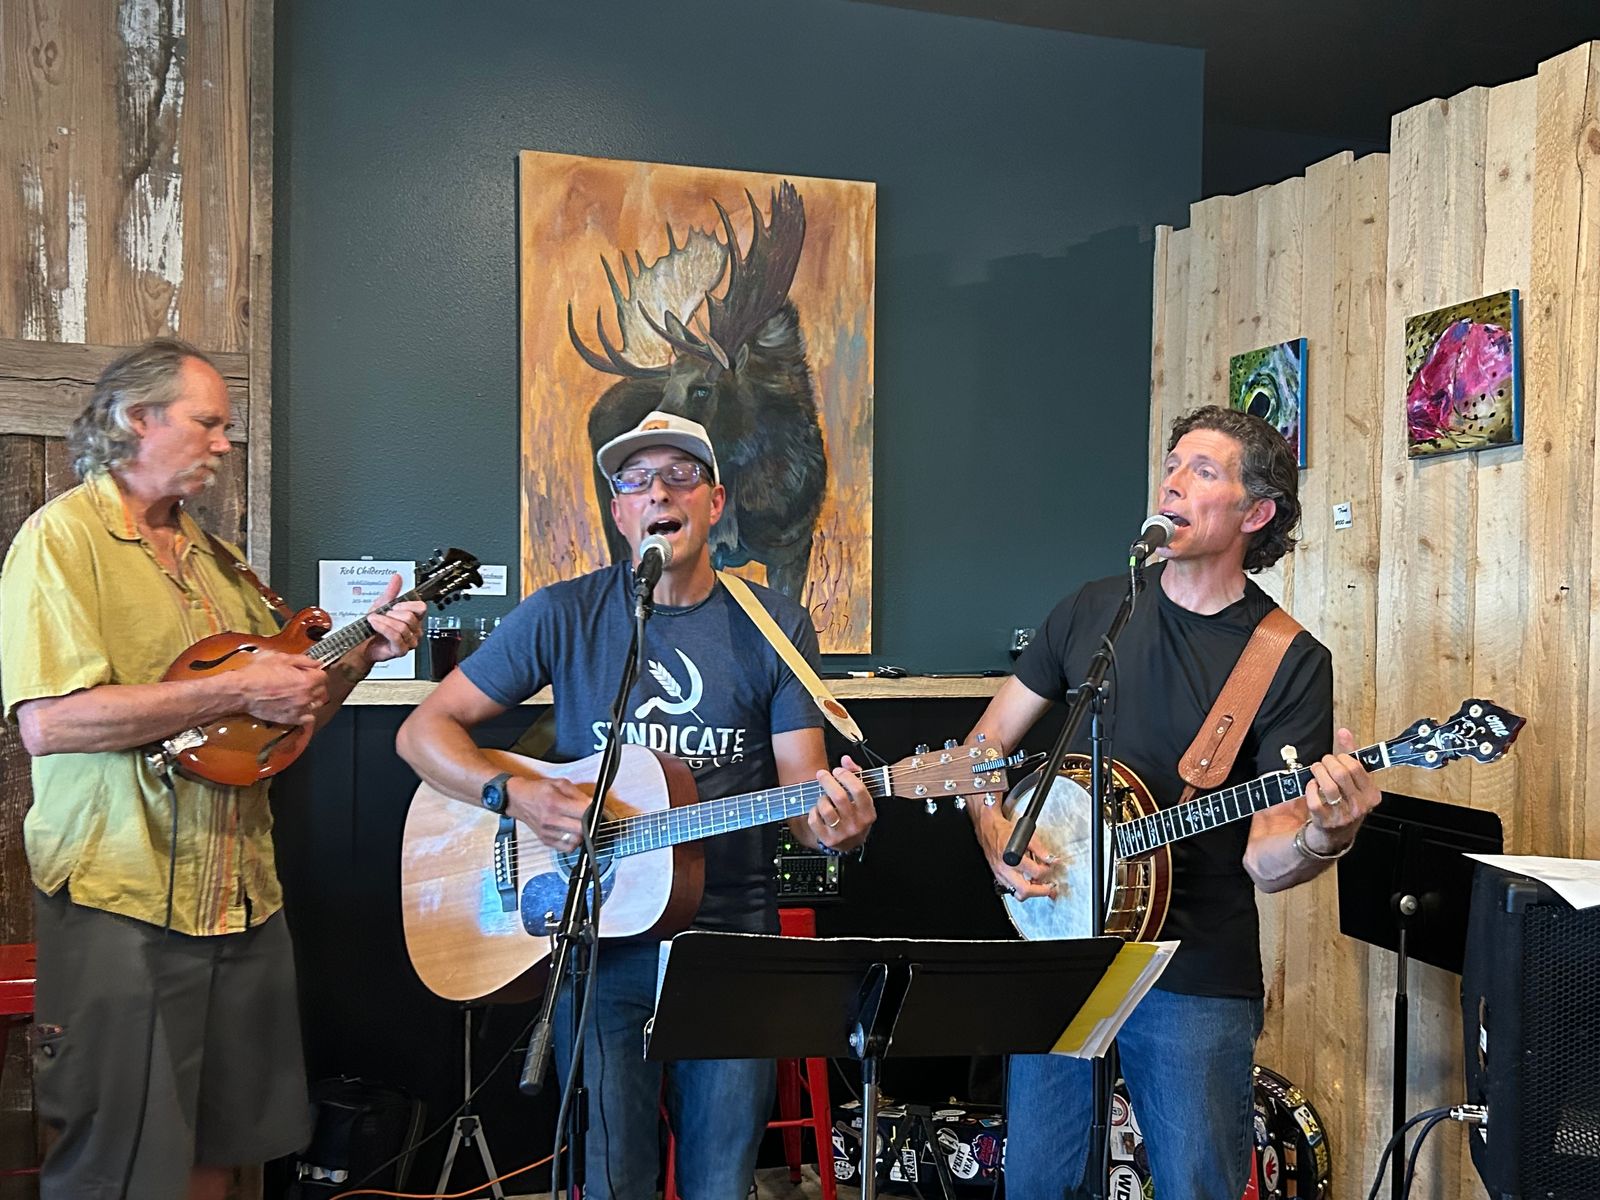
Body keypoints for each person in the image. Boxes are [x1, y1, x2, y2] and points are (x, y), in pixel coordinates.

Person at [396, 409, 874, 1200]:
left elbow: (805, 794)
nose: (660, 492)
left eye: (681, 475)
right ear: (619, 510)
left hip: (729, 946)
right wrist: (519, 795)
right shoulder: (564, 613)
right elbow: (423, 733)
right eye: (638, 480)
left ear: (714, 503)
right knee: (615, 1176)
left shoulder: (777, 626)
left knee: (722, 1180)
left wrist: (837, 830)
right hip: (600, 937)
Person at [0, 338, 424, 1200]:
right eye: (208, 423)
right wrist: (237, 685)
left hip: (239, 899)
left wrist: (358, 660)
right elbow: (50, 723)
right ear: (137, 419)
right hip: (121, 900)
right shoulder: (62, 542)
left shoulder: (217, 560)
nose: (225, 443)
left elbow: (271, 732)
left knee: (220, 1152)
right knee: (118, 1166)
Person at [968, 405, 1379, 1199]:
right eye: (1173, 465)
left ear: (1255, 514)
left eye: (1204, 470)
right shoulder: (1093, 610)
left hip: (1195, 966)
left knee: (1197, 1183)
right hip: (1061, 942)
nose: (1173, 482)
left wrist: (1326, 834)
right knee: (1037, 1181)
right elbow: (984, 747)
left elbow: (1267, 857)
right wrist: (996, 835)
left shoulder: (1287, 659)